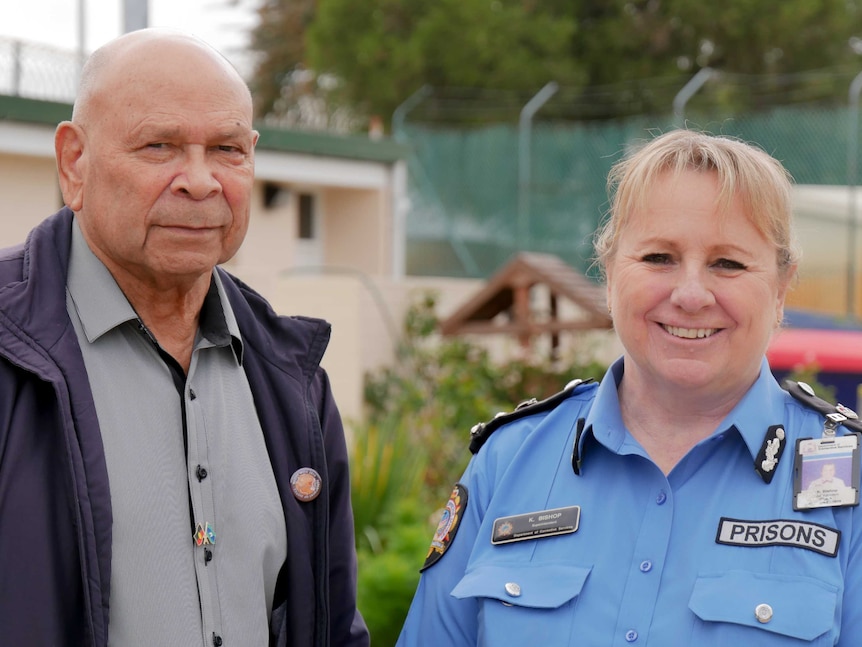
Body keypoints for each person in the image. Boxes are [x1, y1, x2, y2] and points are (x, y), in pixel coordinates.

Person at [396, 129, 862, 645]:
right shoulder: (508, 462)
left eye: (727, 263)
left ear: (780, 287)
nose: (689, 295)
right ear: (609, 271)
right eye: (658, 258)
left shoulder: (851, 483)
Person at [0, 29, 368, 647]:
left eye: (227, 149)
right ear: (74, 162)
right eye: (159, 146)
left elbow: (330, 626)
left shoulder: (292, 378)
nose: (199, 182)